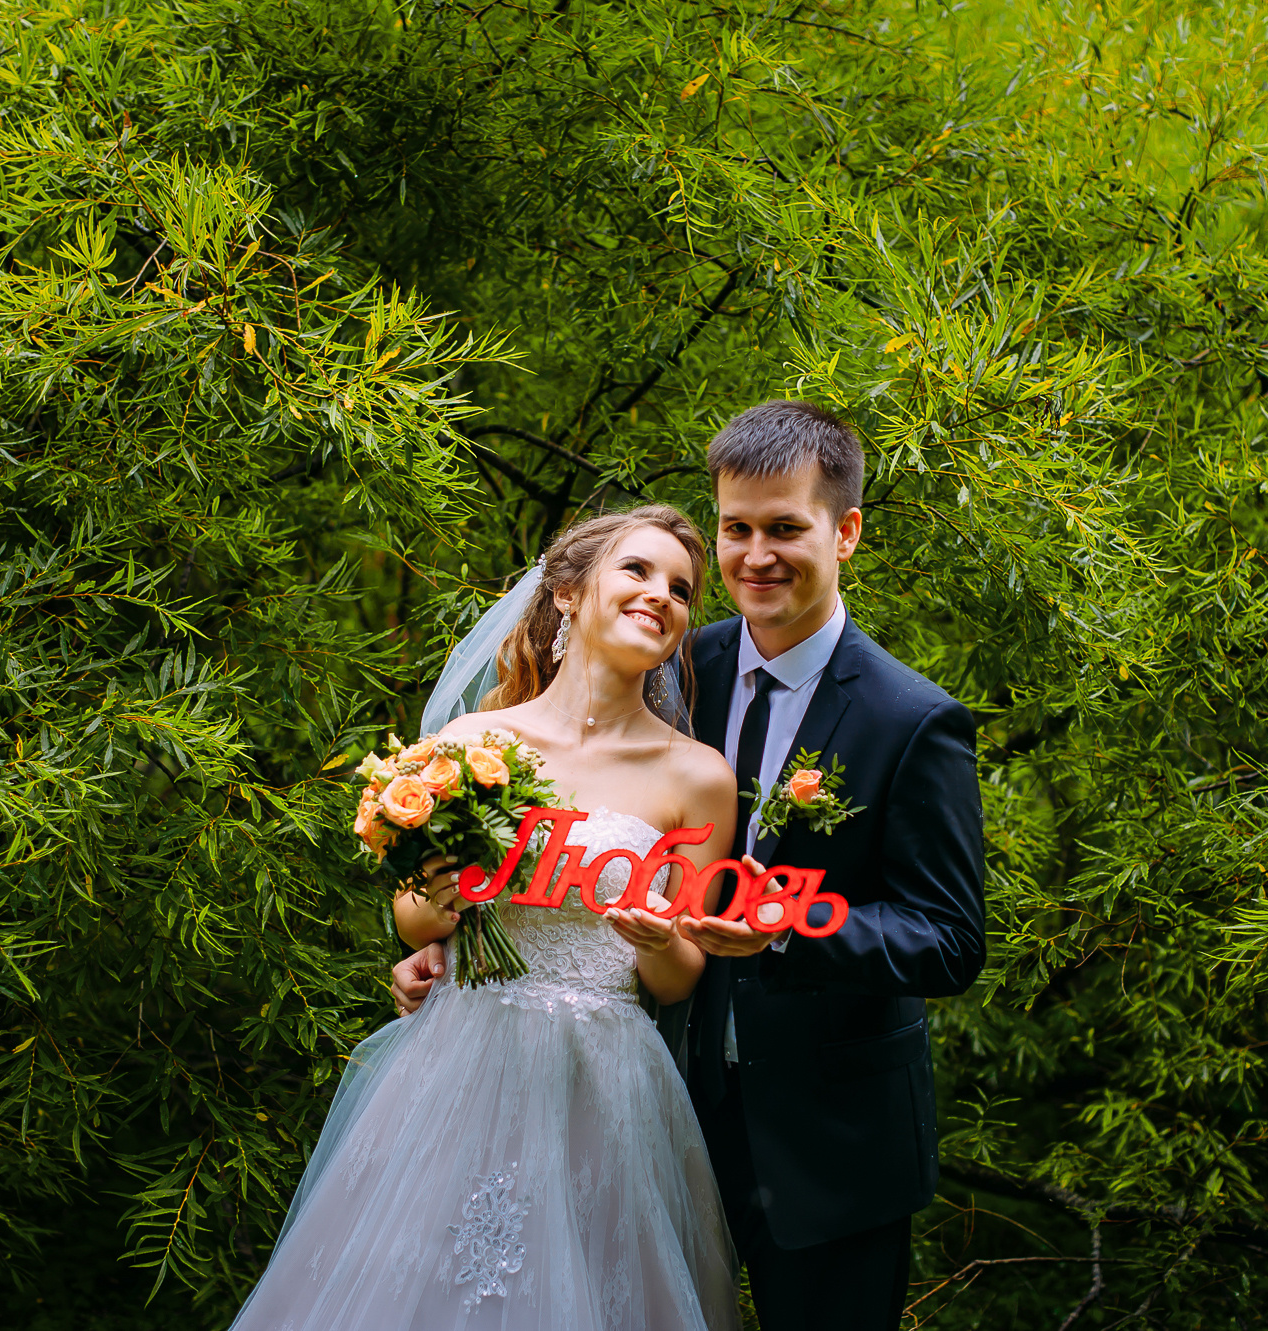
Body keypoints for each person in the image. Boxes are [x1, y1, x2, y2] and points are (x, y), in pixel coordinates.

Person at [398, 401, 989, 1331]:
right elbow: (547, 826)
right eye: (736, 529)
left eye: (785, 528)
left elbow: (948, 939)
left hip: (831, 1144)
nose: (757, 555)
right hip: (654, 1112)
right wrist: (444, 939)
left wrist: (784, 930)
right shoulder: (676, 662)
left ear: (845, 532)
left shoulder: (910, 719)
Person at [230, 504, 740, 1331]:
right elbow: (411, 915)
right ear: (568, 593)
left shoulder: (699, 777)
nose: (662, 594)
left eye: (681, 589)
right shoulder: (474, 742)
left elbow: (681, 976)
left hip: (603, 1079)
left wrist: (654, 940)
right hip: (463, 1056)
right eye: (637, 570)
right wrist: (438, 904)